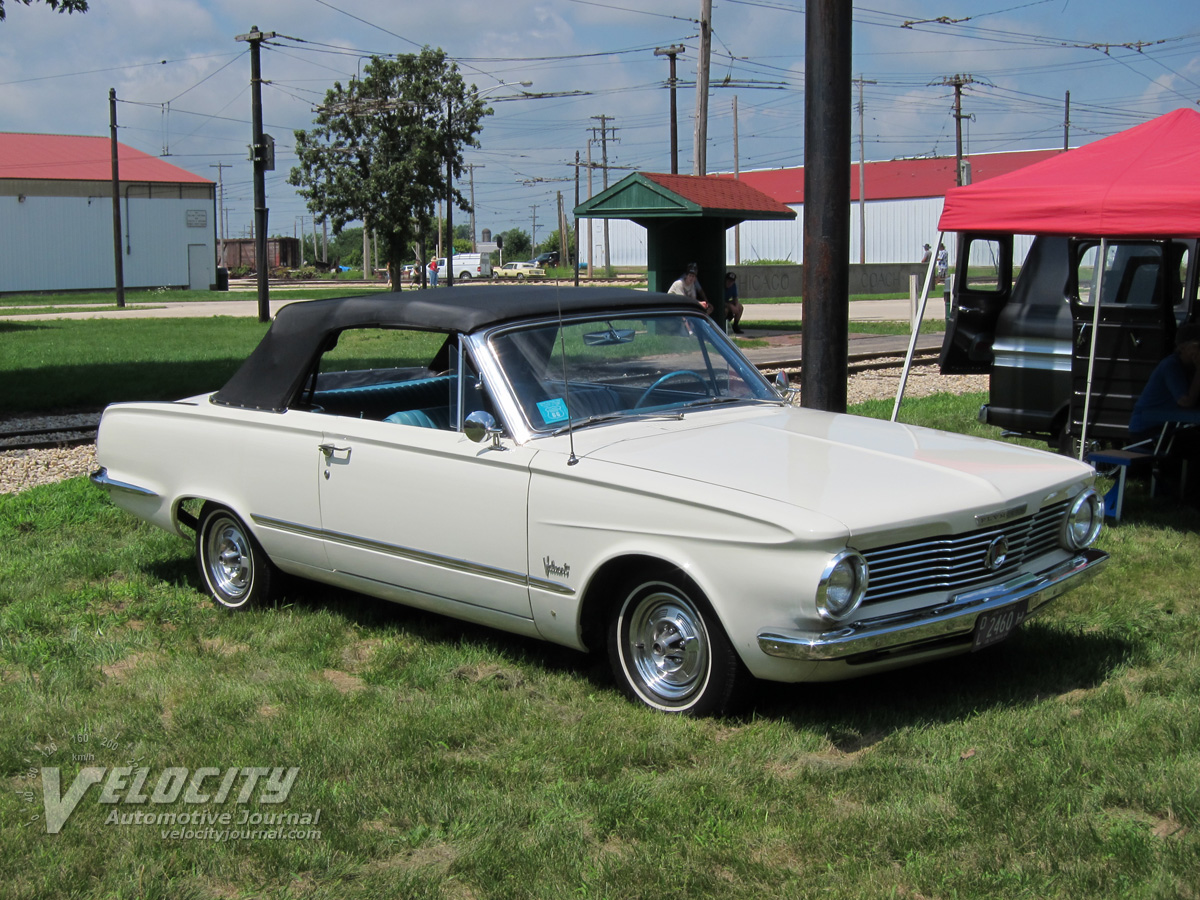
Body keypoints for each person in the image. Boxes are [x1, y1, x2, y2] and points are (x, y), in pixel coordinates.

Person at [1128, 323, 1200, 436]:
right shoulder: (1171, 366)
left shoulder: (1189, 368)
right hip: (1148, 428)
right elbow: (1186, 402)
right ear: (1183, 347)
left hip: (1170, 424)